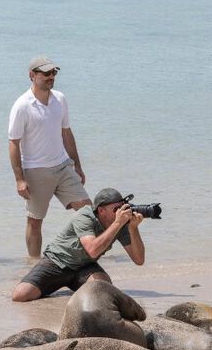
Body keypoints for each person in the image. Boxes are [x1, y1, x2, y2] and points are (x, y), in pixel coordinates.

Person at [8, 55, 92, 258]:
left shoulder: (60, 99)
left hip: (63, 166)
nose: (51, 77)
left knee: (88, 212)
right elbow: (13, 142)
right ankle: (34, 264)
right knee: (35, 221)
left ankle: (87, 255)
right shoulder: (22, 105)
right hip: (36, 170)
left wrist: (77, 166)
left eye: (53, 72)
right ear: (32, 75)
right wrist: (19, 179)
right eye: (46, 73)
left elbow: (66, 133)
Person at [12, 188, 145, 302]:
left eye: (122, 207)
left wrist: (133, 229)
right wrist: (117, 223)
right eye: (115, 209)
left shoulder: (121, 223)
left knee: (103, 290)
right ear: (101, 210)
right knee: (20, 295)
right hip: (58, 261)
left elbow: (139, 260)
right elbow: (92, 250)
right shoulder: (85, 216)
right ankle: (58, 283)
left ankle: (73, 287)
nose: (120, 212)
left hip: (85, 266)